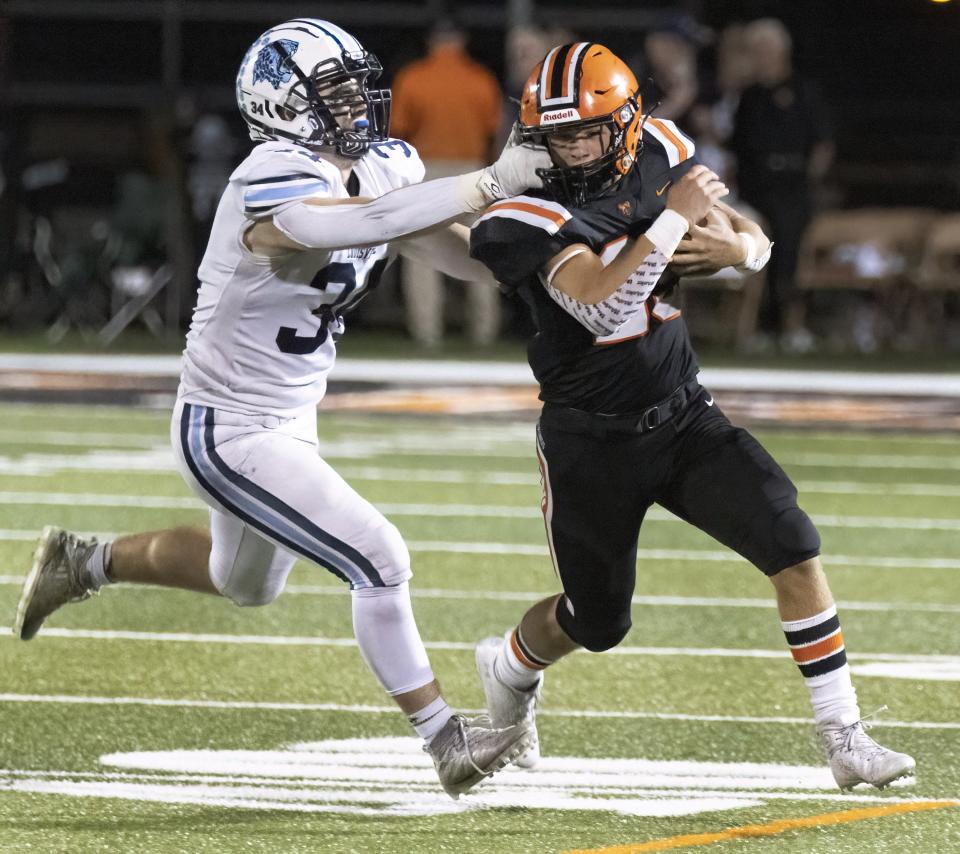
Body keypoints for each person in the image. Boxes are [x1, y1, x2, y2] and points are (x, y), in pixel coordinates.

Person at [13, 18, 550, 799]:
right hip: (226, 425)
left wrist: (550, 255)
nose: (358, 104)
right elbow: (333, 225)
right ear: (282, 104)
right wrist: (487, 179)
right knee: (379, 556)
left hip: (288, 418)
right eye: (335, 91)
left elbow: (448, 250)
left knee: (246, 584)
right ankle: (447, 740)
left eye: (359, 86)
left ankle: (81, 560)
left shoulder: (380, 166)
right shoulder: (271, 172)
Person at [468, 42, 915, 791]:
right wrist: (673, 225)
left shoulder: (659, 153)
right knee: (597, 622)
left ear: (629, 122)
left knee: (792, 541)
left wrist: (740, 248)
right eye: (560, 134)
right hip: (589, 439)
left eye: (589, 130)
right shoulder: (521, 215)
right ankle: (508, 669)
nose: (574, 147)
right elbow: (604, 298)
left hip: (682, 414)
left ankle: (844, 737)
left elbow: (755, 240)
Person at [391, 19, 504, 348]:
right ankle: (485, 332)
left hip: (427, 170)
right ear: (462, 40)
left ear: (431, 41)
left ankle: (427, 333)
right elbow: (495, 132)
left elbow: (398, 131)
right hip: (473, 170)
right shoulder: (480, 79)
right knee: (482, 249)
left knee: (423, 253)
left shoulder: (413, 77)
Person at [729, 18, 834, 353]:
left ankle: (794, 325)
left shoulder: (804, 90)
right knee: (756, 253)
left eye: (766, 49)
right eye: (755, 50)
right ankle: (759, 327)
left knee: (791, 254)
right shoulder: (749, 96)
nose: (761, 57)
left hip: (794, 185)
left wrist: (809, 181)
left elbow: (822, 144)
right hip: (757, 186)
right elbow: (738, 145)